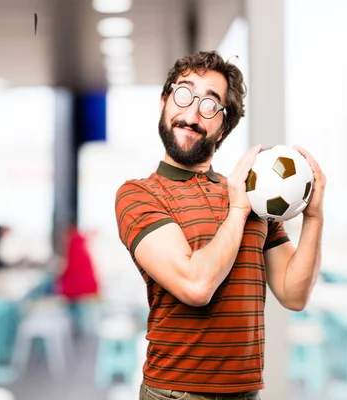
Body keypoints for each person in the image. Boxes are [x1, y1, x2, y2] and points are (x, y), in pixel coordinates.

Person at [114, 51, 325, 400]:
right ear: (164, 101)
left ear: (224, 125)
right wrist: (238, 211)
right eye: (184, 94)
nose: (192, 113)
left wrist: (314, 217)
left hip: (246, 393)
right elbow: (195, 284)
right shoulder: (138, 195)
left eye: (210, 104)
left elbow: (294, 293)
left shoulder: (255, 196)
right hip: (175, 393)